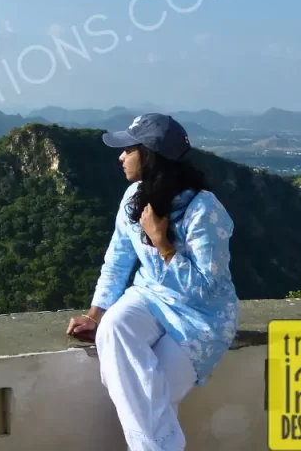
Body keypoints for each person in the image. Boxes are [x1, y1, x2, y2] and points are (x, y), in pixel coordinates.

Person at [65, 113, 239, 451]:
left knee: (149, 397)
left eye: (128, 149)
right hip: (150, 297)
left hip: (200, 318)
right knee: (113, 327)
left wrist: (164, 246)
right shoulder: (134, 197)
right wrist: (95, 315)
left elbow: (207, 289)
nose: (120, 157)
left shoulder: (205, 210)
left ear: (149, 155)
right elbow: (118, 259)